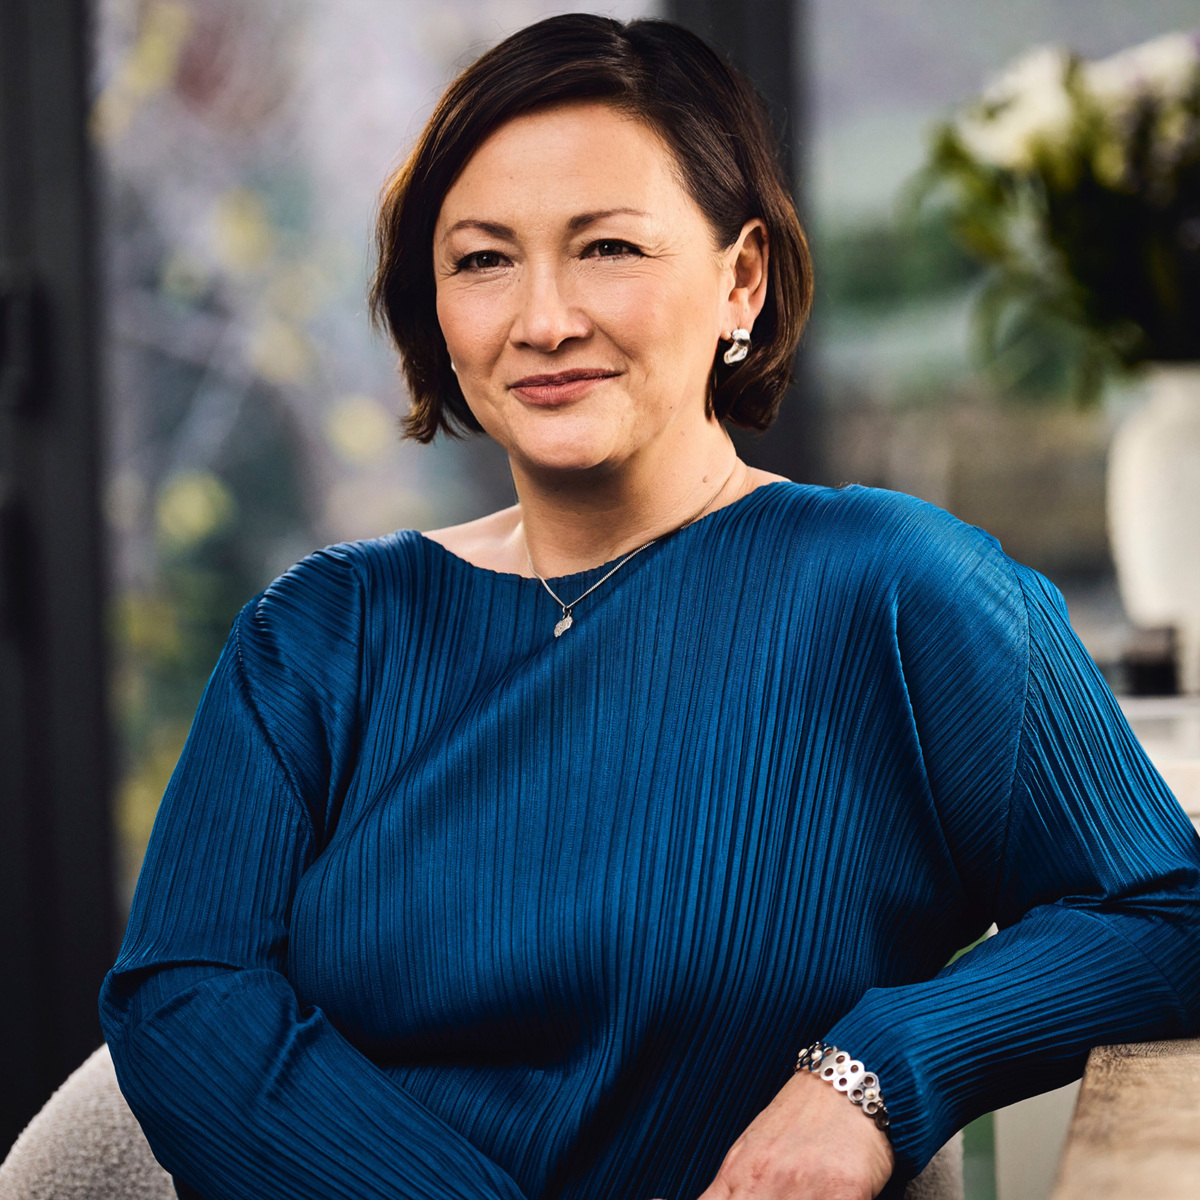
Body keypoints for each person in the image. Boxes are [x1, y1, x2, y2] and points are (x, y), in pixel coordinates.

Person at [99, 14, 1200, 1200]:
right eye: (482, 260)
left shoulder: (899, 590)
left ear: (742, 278)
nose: (545, 318)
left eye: (608, 248)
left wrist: (871, 1073)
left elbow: (1165, 913)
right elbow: (183, 1000)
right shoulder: (317, 635)